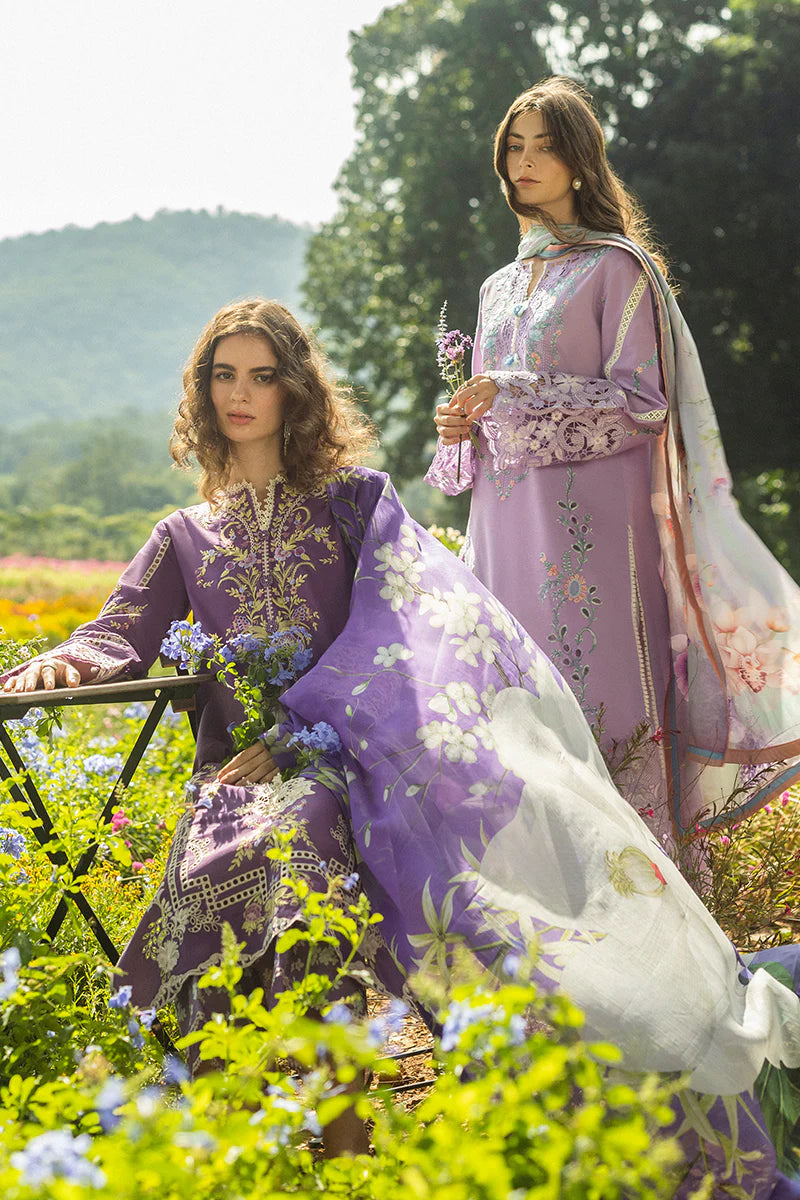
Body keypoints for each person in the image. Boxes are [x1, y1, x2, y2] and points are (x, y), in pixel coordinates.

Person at [3, 299, 800, 1191]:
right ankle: (246, 1141)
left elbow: (419, 631)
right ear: (201, 392)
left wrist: (309, 734)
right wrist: (66, 664)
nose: (240, 394)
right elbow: (117, 633)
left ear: (295, 391)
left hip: (372, 765)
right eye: (223, 376)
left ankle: (346, 1146)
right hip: (237, 778)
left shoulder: (354, 506)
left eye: (261, 375)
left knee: (307, 829)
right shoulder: (181, 538)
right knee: (253, 840)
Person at [426, 76, 800, 855]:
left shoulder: (616, 269)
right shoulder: (497, 287)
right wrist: (460, 424)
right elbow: (493, 427)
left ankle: (643, 893)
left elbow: (642, 405)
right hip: (502, 534)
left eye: (544, 147)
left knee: (600, 708)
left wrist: (514, 390)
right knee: (514, 710)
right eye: (514, 148)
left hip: (590, 543)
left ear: (580, 160)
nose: (525, 163)